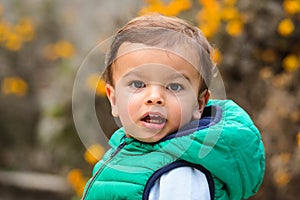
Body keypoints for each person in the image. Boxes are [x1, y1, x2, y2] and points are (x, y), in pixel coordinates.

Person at [81, 14, 265, 200]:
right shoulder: (126, 150)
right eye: (138, 84)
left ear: (198, 104)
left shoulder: (180, 174)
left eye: (174, 87)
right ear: (114, 100)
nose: (155, 97)